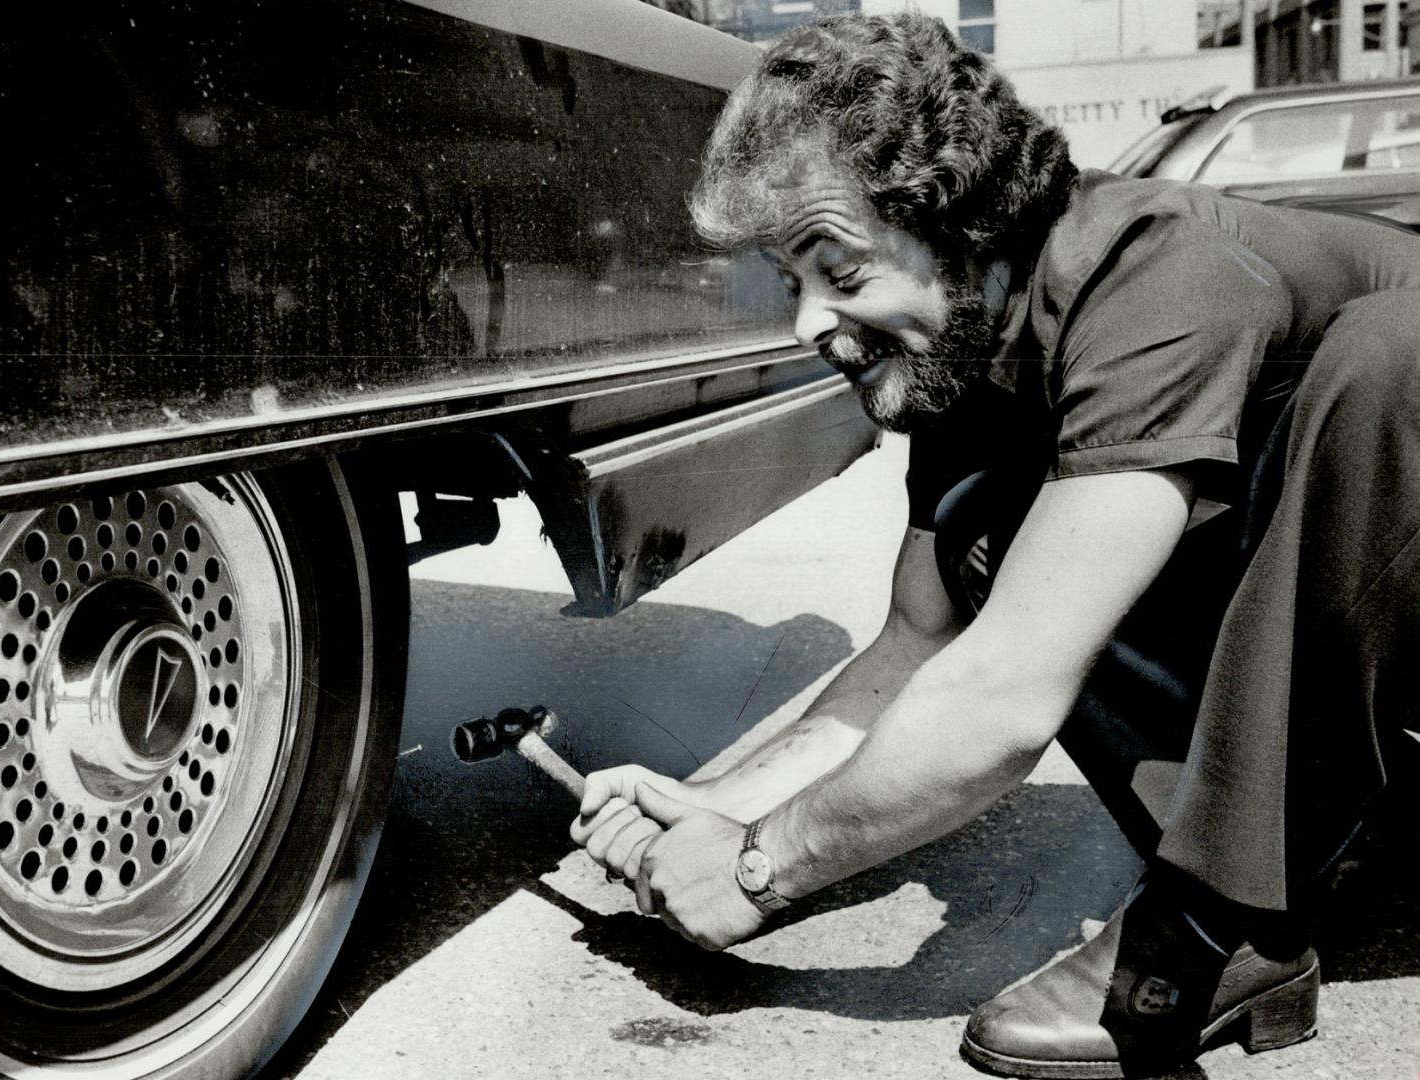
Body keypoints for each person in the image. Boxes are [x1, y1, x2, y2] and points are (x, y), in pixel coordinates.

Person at [569, 12, 1420, 1078]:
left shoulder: (1159, 275)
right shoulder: (963, 358)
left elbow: (1005, 694)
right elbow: (916, 649)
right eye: (792, 285)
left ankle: (1217, 923)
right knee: (998, 529)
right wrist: (719, 802)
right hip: (1375, 762)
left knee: (1403, 352)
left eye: (838, 269)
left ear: (961, 221)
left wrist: (756, 867)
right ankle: (1326, 856)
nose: (806, 325)